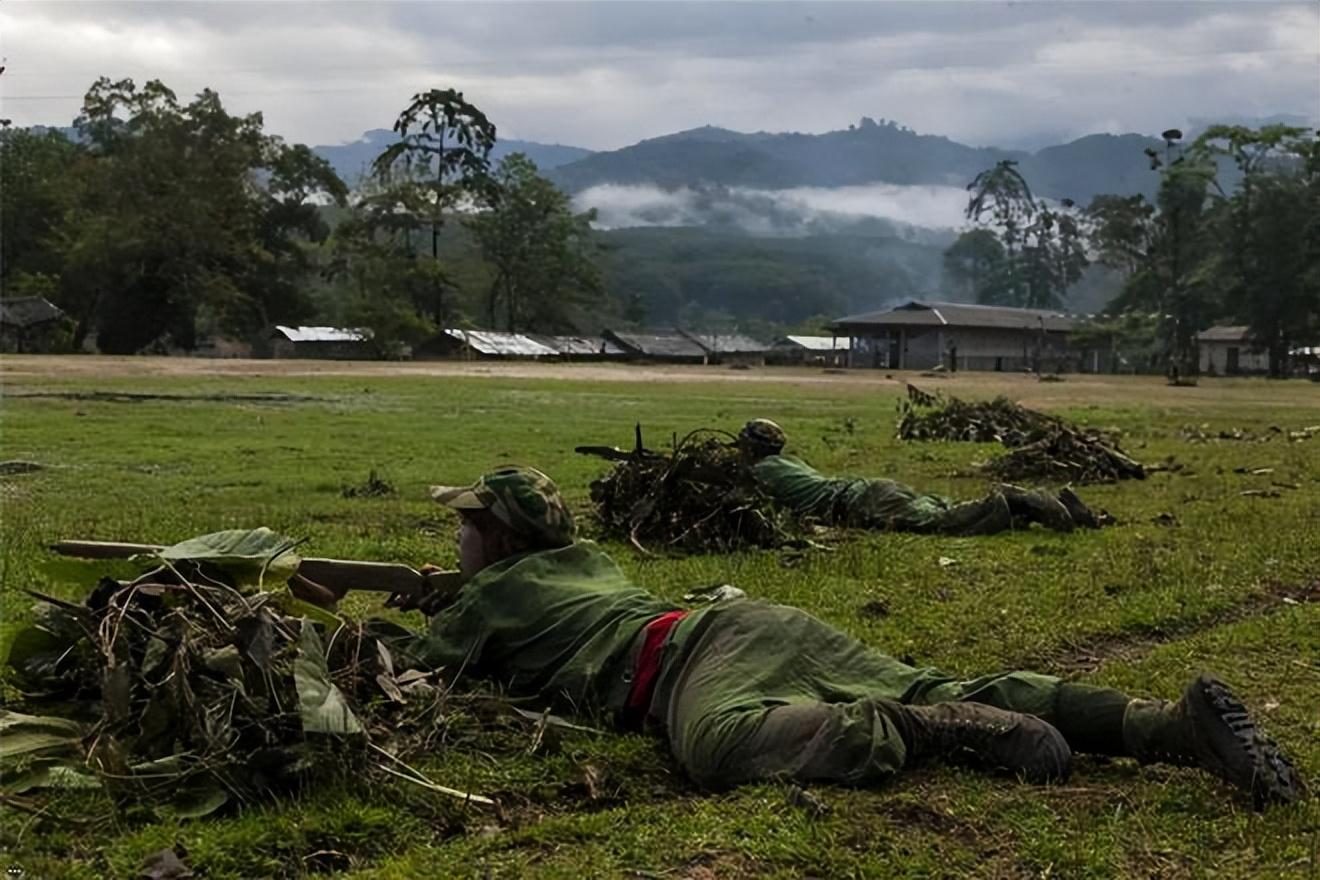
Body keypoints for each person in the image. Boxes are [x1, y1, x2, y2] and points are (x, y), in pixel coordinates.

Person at [330, 465, 1299, 809]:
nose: (452, 538)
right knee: (938, 671)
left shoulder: (486, 598)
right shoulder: (584, 564)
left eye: (463, 525)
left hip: (694, 662)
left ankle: (928, 731)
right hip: (756, 622)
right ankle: (1159, 727)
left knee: (714, 748)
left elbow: (391, 670)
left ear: (495, 538)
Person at [736, 418, 1099, 535]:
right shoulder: (791, 462)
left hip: (857, 500)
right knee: (947, 507)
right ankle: (1065, 506)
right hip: (867, 487)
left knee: (942, 522)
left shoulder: (760, 474)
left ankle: (1013, 497)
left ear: (749, 449)